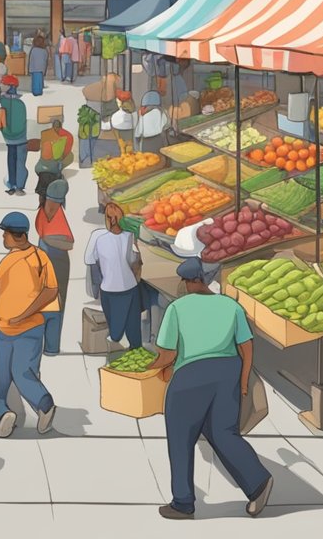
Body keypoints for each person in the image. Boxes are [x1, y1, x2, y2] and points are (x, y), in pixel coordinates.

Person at [150, 258, 273, 520]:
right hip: (227, 373)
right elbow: (246, 347)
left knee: (181, 439)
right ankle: (258, 482)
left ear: (190, 281)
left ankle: (183, 503)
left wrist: (152, 366)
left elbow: (167, 353)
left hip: (191, 378)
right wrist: (242, 379)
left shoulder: (177, 308)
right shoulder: (231, 306)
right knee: (223, 433)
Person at [0, 212, 59, 437]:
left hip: (18, 328)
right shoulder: (39, 257)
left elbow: (51, 291)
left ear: (16, 236)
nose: (3, 237)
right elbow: (51, 289)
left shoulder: (25, 260)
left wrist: (24, 314)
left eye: (4, 233)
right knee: (13, 375)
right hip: (16, 328)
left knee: (10, 377)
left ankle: (37, 408)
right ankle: (9, 414)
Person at [86, 203, 145, 348]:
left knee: (125, 332)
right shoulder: (104, 238)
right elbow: (135, 262)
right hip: (119, 289)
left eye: (114, 217)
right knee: (121, 333)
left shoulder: (127, 237)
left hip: (122, 289)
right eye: (109, 217)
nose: (112, 221)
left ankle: (132, 352)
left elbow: (92, 262)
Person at [35, 180, 73, 355]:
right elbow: (68, 242)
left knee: (50, 300)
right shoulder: (52, 215)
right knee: (53, 301)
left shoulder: (46, 213)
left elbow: (67, 242)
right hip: (53, 257)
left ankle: (50, 345)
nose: (53, 206)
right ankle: (50, 345)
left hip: (49, 255)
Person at [0, 76, 28, 196]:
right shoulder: (21, 104)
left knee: (11, 161)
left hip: (9, 139)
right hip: (21, 139)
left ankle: (12, 185)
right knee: (20, 162)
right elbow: (23, 123)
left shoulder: (1, 102)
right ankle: (19, 187)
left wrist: (6, 132)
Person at [35, 117, 74, 206]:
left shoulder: (46, 134)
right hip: (53, 169)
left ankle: (41, 204)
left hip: (42, 168)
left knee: (42, 189)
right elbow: (66, 152)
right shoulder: (67, 136)